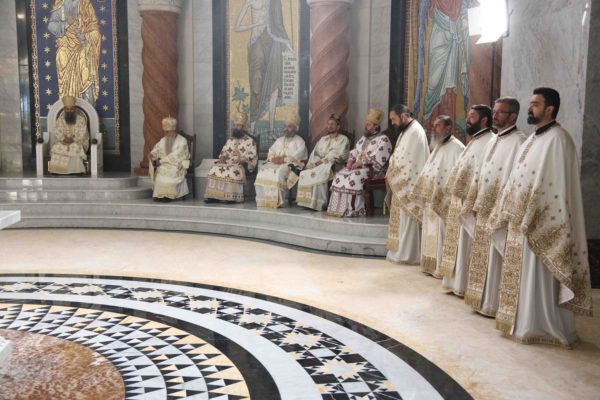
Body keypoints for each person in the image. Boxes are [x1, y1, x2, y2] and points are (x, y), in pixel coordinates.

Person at [489, 87, 592, 346]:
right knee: (522, 276)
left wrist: (532, 213)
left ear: (549, 109)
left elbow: (556, 187)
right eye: (530, 103)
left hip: (542, 223)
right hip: (520, 221)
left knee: (538, 277)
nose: (530, 108)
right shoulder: (533, 139)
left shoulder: (559, 140)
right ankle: (522, 322)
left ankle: (541, 326)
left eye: (535, 104)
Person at [463, 97, 526, 316]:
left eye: (500, 112)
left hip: (500, 211)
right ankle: (482, 301)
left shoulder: (519, 142)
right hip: (483, 208)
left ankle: (495, 305)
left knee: (497, 258)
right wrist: (474, 200)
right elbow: (481, 173)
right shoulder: (493, 140)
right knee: (483, 255)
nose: (496, 115)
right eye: (495, 111)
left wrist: (502, 208)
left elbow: (516, 179)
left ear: (513, 116)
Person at [439, 105, 495, 296]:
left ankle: (464, 285)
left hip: (471, 204)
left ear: (484, 120)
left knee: (467, 247)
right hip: (459, 202)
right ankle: (456, 283)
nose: (467, 120)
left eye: (472, 117)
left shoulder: (489, 141)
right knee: (459, 246)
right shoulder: (475, 140)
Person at [410, 115, 465, 277]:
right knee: (430, 233)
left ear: (448, 128)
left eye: (438, 126)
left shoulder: (457, 148)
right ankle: (429, 266)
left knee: (441, 235)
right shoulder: (437, 146)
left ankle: (440, 268)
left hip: (443, 202)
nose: (433, 129)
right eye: (433, 125)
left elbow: (457, 177)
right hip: (431, 201)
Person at [234, 0, 292, 134]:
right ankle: (252, 130)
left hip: (272, 43)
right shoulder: (250, 2)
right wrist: (256, 24)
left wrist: (286, 42)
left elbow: (279, 24)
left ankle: (271, 130)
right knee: (256, 85)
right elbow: (237, 27)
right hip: (256, 44)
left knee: (274, 86)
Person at [327, 109, 392, 217]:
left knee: (353, 176)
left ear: (376, 126)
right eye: (365, 123)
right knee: (339, 175)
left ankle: (354, 209)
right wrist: (350, 161)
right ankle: (337, 208)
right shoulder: (363, 139)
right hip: (357, 168)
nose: (365, 126)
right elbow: (354, 151)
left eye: (368, 124)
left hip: (374, 171)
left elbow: (379, 157)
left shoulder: (383, 139)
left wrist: (361, 163)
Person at [386, 104, 430, 264]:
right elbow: (398, 155)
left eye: (394, 119)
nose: (392, 123)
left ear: (403, 116)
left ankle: (408, 255)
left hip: (408, 184)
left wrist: (392, 170)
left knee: (408, 220)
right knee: (401, 220)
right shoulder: (407, 130)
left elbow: (407, 161)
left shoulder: (415, 131)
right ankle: (398, 252)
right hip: (401, 183)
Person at [48, 0, 101, 104]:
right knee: (61, 56)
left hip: (82, 45)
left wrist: (85, 37)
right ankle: (67, 103)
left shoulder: (86, 5)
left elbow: (96, 32)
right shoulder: (61, 5)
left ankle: (87, 105)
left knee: (84, 65)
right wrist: (67, 23)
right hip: (66, 45)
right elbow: (51, 26)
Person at [297, 114, 349, 211]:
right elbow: (315, 153)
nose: (329, 126)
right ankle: (307, 202)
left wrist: (323, 161)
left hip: (333, 165)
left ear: (338, 126)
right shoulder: (323, 139)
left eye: (332, 124)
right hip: (318, 164)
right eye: (328, 124)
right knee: (305, 173)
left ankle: (319, 203)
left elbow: (340, 155)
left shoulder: (343, 139)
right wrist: (315, 162)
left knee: (320, 172)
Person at [255, 114, 307, 208]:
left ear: (295, 128)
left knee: (278, 173)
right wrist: (272, 158)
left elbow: (299, 156)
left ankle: (279, 200)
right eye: (285, 126)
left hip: (289, 164)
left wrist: (284, 159)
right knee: (262, 171)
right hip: (274, 163)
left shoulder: (300, 141)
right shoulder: (279, 140)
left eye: (289, 126)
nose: (286, 129)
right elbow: (271, 151)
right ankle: (264, 200)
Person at [204, 112, 258, 203]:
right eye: (236, 125)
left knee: (232, 171)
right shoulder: (231, 139)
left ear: (243, 127)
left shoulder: (250, 141)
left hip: (241, 164)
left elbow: (252, 155)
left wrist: (242, 160)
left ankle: (231, 197)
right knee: (214, 168)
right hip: (228, 162)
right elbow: (224, 151)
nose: (236, 127)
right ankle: (214, 196)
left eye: (239, 126)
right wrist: (223, 157)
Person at [148, 117, 191, 202]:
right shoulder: (163, 140)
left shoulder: (182, 140)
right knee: (161, 171)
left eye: (168, 132)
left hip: (176, 164)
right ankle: (160, 195)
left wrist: (161, 161)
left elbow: (176, 155)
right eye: (165, 131)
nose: (166, 134)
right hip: (163, 164)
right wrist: (152, 154)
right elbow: (157, 149)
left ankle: (168, 196)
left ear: (173, 130)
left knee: (170, 172)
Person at [48, 96, 90, 174]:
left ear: (75, 109)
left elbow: (83, 133)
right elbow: (57, 132)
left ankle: (77, 171)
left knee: (75, 147)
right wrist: (64, 139)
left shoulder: (81, 119)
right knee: (58, 147)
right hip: (63, 142)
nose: (69, 111)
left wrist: (73, 139)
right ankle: (57, 170)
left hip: (78, 142)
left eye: (71, 109)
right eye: (67, 109)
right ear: (64, 109)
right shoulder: (60, 120)